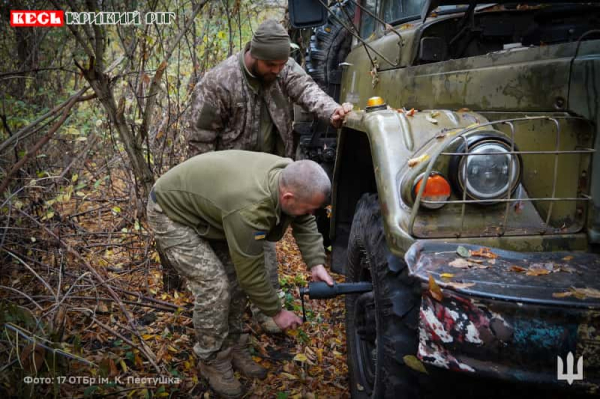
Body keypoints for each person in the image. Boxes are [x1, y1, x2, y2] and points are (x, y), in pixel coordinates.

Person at [183, 19, 349, 333]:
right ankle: (230, 329)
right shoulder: (219, 83)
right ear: (254, 55)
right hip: (231, 185)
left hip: (274, 177)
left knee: (265, 253)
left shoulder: (282, 67)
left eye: (282, 64)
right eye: (271, 64)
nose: (278, 70)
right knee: (233, 263)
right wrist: (207, 196)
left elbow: (307, 90)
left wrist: (333, 112)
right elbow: (200, 143)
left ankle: (264, 314)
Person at [146, 150, 334, 398]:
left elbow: (304, 220)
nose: (311, 214)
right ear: (287, 197)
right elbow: (252, 274)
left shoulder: (290, 177)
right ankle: (211, 359)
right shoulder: (251, 208)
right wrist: (276, 312)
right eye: (309, 209)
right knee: (215, 285)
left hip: (215, 212)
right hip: (171, 213)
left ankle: (234, 345)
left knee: (234, 281)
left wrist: (316, 263)